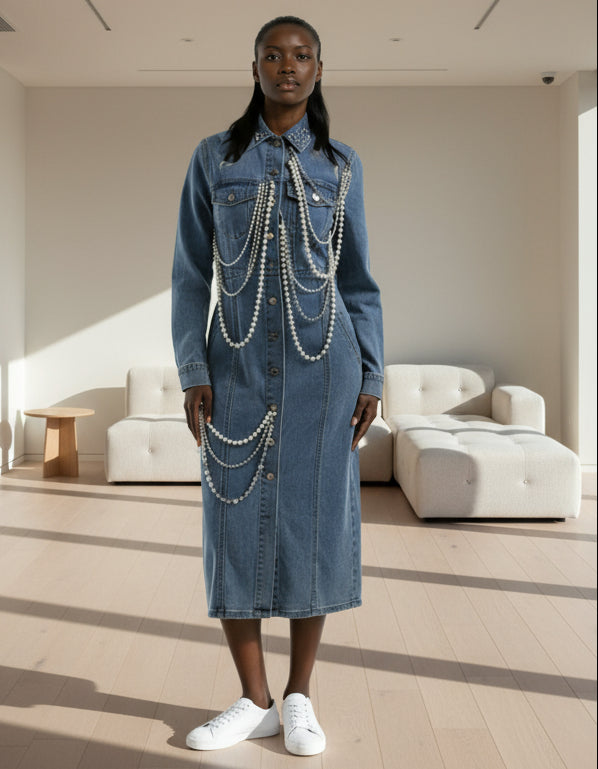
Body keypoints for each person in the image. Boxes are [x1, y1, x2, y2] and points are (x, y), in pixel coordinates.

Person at [171, 15, 384, 757]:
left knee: (312, 528)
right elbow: (190, 274)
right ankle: (252, 698)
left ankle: (299, 696)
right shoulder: (212, 159)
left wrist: (373, 369)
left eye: (301, 57)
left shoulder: (342, 167)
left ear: (318, 71)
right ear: (255, 66)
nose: (287, 67)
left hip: (325, 375)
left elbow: (358, 282)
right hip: (231, 373)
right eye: (273, 55)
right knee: (232, 526)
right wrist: (193, 369)